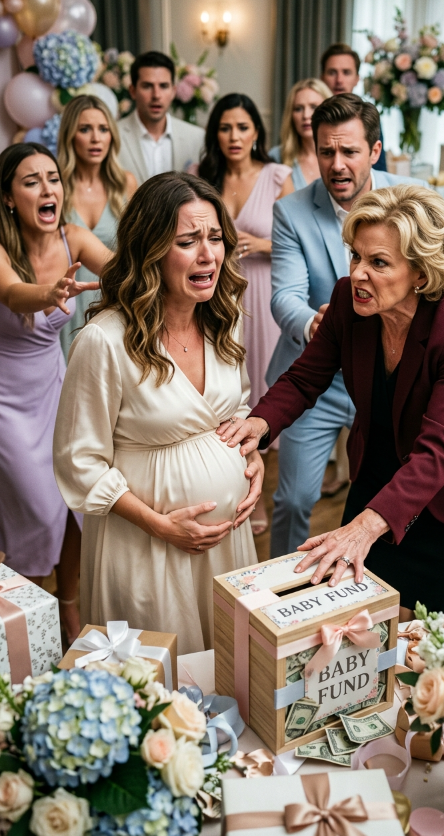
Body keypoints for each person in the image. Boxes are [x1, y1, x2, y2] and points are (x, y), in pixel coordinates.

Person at [219, 185, 444, 615]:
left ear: (421, 274)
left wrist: (366, 526)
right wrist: (258, 424)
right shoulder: (346, 300)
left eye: (378, 262)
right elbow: (305, 377)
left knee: (428, 630)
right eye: (356, 256)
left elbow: (439, 450)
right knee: (355, 612)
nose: (357, 273)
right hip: (378, 472)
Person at [266, 94, 444, 559]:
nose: (337, 163)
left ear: (375, 150)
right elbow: (297, 350)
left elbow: (438, 449)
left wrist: (443, 333)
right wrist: (255, 424)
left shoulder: (414, 197)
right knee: (298, 502)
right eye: (326, 151)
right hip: (355, 422)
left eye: (349, 151)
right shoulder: (306, 233)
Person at [53, 173, 261, 654]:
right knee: (164, 676)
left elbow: (238, 407)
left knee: (230, 666)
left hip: (228, 546)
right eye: (187, 242)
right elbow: (79, 461)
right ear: (150, 250)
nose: (208, 255)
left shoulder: (223, 321)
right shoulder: (105, 341)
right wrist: (159, 525)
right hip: (146, 547)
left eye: (215, 238)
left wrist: (251, 459)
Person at [0, 143, 112, 642]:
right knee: (36, 511)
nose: (48, 189)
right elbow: (10, 293)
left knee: (73, 503)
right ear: (8, 198)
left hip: (54, 387)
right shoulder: (1, 247)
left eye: (53, 178)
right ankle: (25, 628)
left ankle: (67, 609)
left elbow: (121, 272)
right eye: (31, 181)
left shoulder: (73, 238)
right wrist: (48, 294)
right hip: (7, 401)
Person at [199, 94, 293, 532]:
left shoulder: (278, 176)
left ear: (257, 131)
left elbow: (296, 241)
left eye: (242, 127)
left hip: (262, 295)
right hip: (214, 294)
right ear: (214, 133)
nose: (234, 136)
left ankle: (258, 493)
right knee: (221, 386)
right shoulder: (202, 176)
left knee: (260, 388)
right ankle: (226, 484)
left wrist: (264, 244)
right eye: (225, 127)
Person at [58, 95, 137, 359]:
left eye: (103, 129)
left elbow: (138, 247)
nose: (96, 138)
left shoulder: (126, 183)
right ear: (70, 135)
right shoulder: (55, 185)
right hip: (65, 303)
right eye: (85, 129)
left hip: (114, 301)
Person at [117, 51, 204, 184]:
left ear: (173, 91)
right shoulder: (113, 136)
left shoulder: (197, 137)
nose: (156, 95)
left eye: (163, 86)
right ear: (133, 91)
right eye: (147, 86)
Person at [320, 42, 387, 172]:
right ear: (322, 77)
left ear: (357, 79)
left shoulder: (368, 117)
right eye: (332, 72)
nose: (339, 80)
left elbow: (379, 170)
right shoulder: (308, 116)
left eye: (346, 72)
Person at [269, 78, 332, 189]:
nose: (306, 115)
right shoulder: (277, 157)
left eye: (313, 107)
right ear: (291, 115)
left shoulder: (341, 157)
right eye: (298, 109)